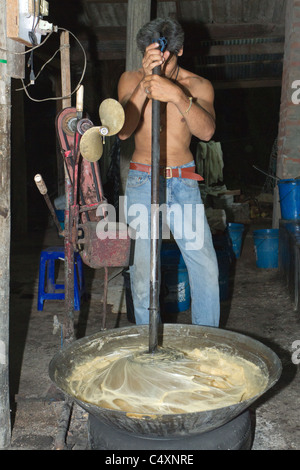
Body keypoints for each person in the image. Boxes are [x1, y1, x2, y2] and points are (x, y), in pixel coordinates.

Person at [117, 17, 220, 327]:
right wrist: (145, 84)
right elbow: (122, 131)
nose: (160, 63)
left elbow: (206, 132)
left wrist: (175, 94)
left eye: (166, 57)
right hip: (141, 178)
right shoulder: (130, 78)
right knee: (143, 271)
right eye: (152, 56)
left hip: (183, 180)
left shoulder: (198, 85)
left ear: (180, 50)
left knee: (205, 268)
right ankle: (148, 345)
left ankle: (207, 342)